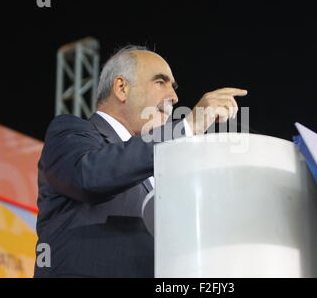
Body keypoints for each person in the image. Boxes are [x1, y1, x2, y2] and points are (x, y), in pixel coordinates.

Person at [34, 45, 247, 277]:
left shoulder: (162, 165)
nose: (174, 97)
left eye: (173, 88)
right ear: (122, 88)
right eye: (160, 82)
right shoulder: (71, 131)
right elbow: (88, 175)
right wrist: (187, 127)